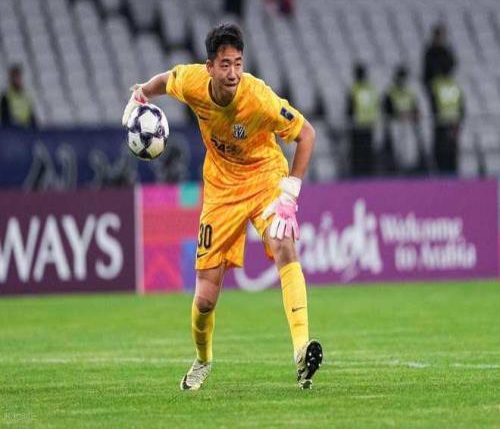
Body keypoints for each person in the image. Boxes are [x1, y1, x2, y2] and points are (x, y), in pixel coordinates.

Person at [122, 23, 322, 390]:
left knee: (285, 246)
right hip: (221, 189)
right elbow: (166, 80)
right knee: (205, 298)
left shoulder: (259, 98)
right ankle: (203, 360)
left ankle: (301, 351)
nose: (232, 73)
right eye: (225, 65)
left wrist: (290, 194)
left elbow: (306, 134)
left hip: (264, 178)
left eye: (238, 64)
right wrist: (140, 95)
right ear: (210, 67)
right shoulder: (193, 82)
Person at [382, 65, 422, 174]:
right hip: (396, 125)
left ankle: (410, 171)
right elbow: (388, 111)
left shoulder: (410, 93)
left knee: (410, 152)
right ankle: (398, 171)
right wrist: (402, 115)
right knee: (398, 151)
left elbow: (416, 110)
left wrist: (410, 115)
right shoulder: (390, 92)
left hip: (409, 125)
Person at [429, 61, 465, 174]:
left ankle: (448, 175)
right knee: (447, 153)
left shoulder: (436, 84)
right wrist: (457, 121)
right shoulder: (454, 85)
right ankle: (447, 175)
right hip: (447, 123)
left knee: (448, 153)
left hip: (446, 123)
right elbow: (461, 105)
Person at [345, 62, 379, 177]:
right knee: (367, 152)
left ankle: (360, 175)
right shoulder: (370, 88)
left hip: (358, 124)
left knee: (358, 153)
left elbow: (350, 107)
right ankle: (368, 174)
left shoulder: (353, 89)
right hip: (368, 124)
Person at [422, 23, 456, 98]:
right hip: (433, 82)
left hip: (444, 81)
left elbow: (452, 63)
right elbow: (430, 67)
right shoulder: (430, 50)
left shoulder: (446, 50)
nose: (441, 38)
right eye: (439, 36)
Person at [0, 64, 36, 129]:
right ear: (11, 79)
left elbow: (31, 114)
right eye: (15, 77)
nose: (18, 80)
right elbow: (5, 118)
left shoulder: (26, 95)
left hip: (26, 129)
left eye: (19, 77)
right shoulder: (6, 96)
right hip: (14, 130)